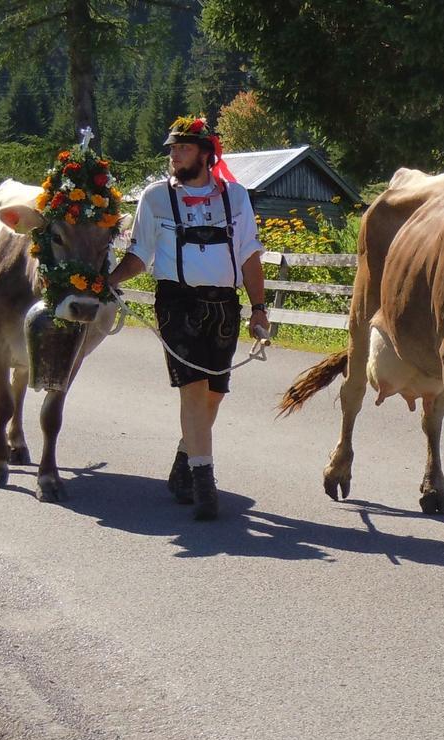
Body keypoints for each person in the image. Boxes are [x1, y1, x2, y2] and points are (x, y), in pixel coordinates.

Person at [109, 116, 270, 520]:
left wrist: (259, 309)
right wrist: (106, 280)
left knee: (215, 391)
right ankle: (205, 484)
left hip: (224, 306)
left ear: (205, 153)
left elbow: (250, 255)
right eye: (172, 149)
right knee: (194, 389)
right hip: (176, 303)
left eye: (182, 148)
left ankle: (185, 460)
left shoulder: (235, 197)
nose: (174, 155)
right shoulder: (155, 197)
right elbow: (140, 255)